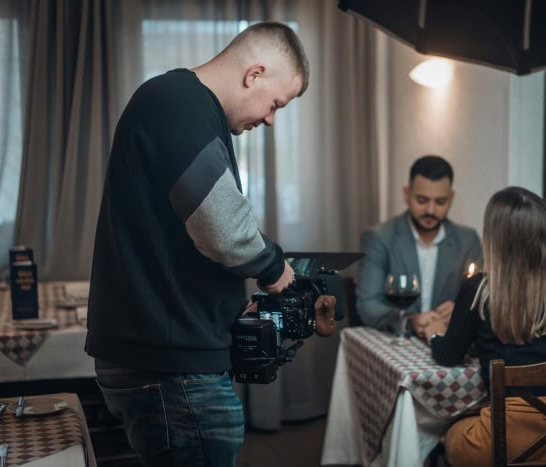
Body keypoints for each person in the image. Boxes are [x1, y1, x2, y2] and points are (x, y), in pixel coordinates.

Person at [84, 22, 309, 467]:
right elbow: (224, 229)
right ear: (255, 74)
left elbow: (180, 242)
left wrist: (227, 308)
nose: (269, 118)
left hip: (166, 362)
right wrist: (273, 268)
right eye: (275, 104)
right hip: (173, 371)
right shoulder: (179, 102)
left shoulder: (183, 108)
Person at [422, 186, 546, 467]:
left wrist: (433, 333)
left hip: (501, 441)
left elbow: (448, 355)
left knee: (444, 434)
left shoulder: (480, 291)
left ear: (495, 239)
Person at [356, 154, 483, 334]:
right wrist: (409, 321)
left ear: (451, 199)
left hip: (446, 341)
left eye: (440, 202)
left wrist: (462, 309)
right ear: (406, 194)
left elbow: (484, 299)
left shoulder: (468, 240)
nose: (430, 210)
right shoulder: (379, 238)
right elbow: (368, 305)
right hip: (397, 342)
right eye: (422, 201)